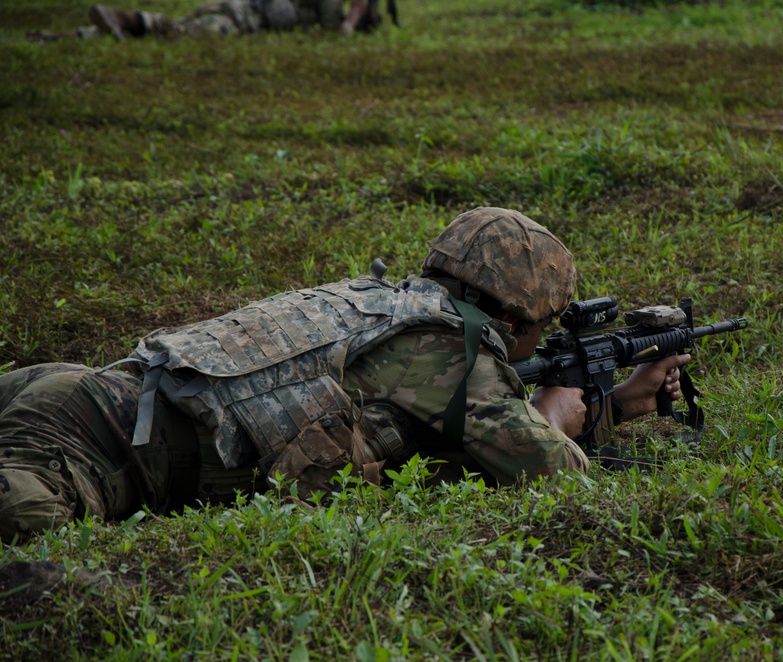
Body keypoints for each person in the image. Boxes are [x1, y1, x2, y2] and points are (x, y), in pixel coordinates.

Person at [0, 207, 690, 543]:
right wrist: (553, 420)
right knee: (22, 531)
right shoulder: (453, 356)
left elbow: (433, 458)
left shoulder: (389, 308)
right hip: (94, 442)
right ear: (516, 321)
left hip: (70, 386)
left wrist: (622, 403)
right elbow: (553, 480)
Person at [29, 0, 397, 43]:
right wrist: (356, 11)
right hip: (239, 17)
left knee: (173, 27)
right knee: (175, 31)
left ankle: (66, 36)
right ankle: (131, 17)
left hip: (230, 8)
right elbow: (339, 29)